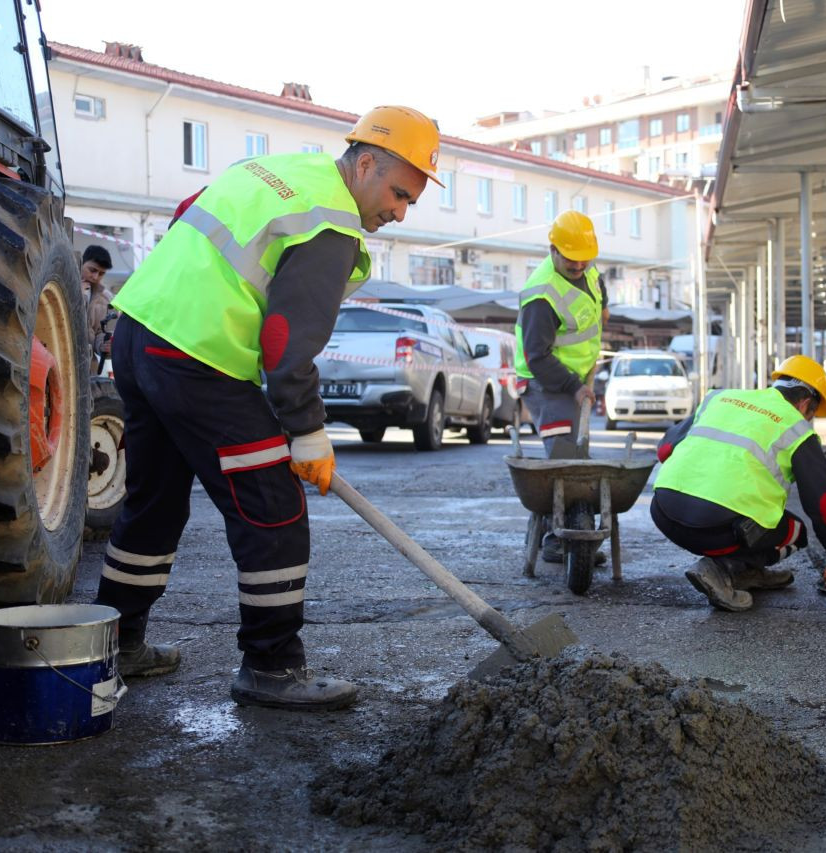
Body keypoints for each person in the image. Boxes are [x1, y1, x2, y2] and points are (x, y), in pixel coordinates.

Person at [95, 105, 443, 710]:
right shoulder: (329, 224)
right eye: (398, 193)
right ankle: (272, 666)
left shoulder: (270, 170)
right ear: (365, 165)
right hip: (196, 358)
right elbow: (286, 342)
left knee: (153, 500)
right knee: (273, 506)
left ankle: (117, 644)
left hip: (139, 332)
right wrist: (307, 433)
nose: (399, 211)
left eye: (410, 201)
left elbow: (184, 218)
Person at [650, 355, 826, 611]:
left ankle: (750, 574)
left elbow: (665, 449)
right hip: (712, 530)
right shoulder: (797, 430)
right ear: (805, 404)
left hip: (662, 512)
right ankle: (725, 569)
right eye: (812, 414)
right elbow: (825, 507)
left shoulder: (720, 398)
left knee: (744, 516)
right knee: (796, 532)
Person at [514, 210, 609, 563]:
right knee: (566, 458)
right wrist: (574, 386)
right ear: (553, 249)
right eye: (571, 259)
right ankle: (557, 538)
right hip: (545, 383)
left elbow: (599, 299)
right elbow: (537, 356)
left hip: (575, 376)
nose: (579, 266)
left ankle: (570, 529)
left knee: (578, 457)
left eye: (585, 259)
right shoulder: (541, 295)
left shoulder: (589, 269)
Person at [80, 245, 114, 373]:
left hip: (87, 369)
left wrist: (103, 346)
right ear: (81, 262)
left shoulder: (105, 299)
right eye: (92, 270)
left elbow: (101, 331)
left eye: (101, 273)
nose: (95, 277)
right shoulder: (60, 283)